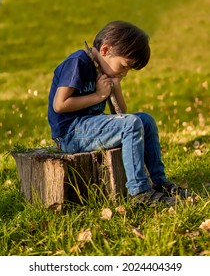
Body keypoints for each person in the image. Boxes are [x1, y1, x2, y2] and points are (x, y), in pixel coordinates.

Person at [48, 20, 191, 207]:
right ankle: (139, 192)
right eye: (124, 66)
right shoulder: (78, 63)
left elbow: (120, 114)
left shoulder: (104, 69)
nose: (125, 73)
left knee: (145, 120)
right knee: (131, 124)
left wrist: (115, 86)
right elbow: (60, 104)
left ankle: (158, 182)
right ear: (106, 50)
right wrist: (99, 95)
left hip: (90, 126)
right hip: (70, 133)